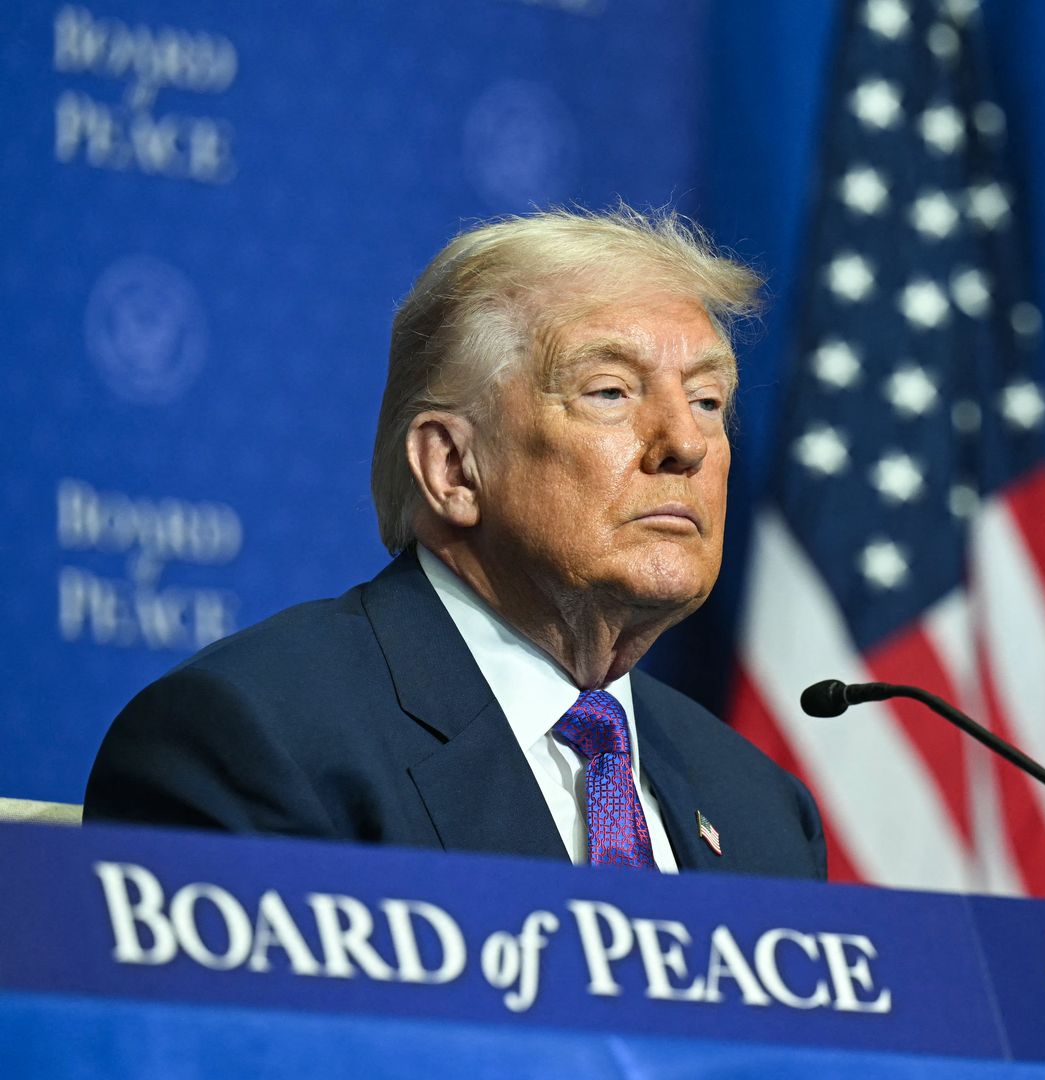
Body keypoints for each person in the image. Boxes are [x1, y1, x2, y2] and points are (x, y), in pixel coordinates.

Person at [85, 207, 826, 880]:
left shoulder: (762, 809)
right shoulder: (257, 741)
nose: (687, 444)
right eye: (610, 391)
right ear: (453, 468)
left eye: (707, 400)